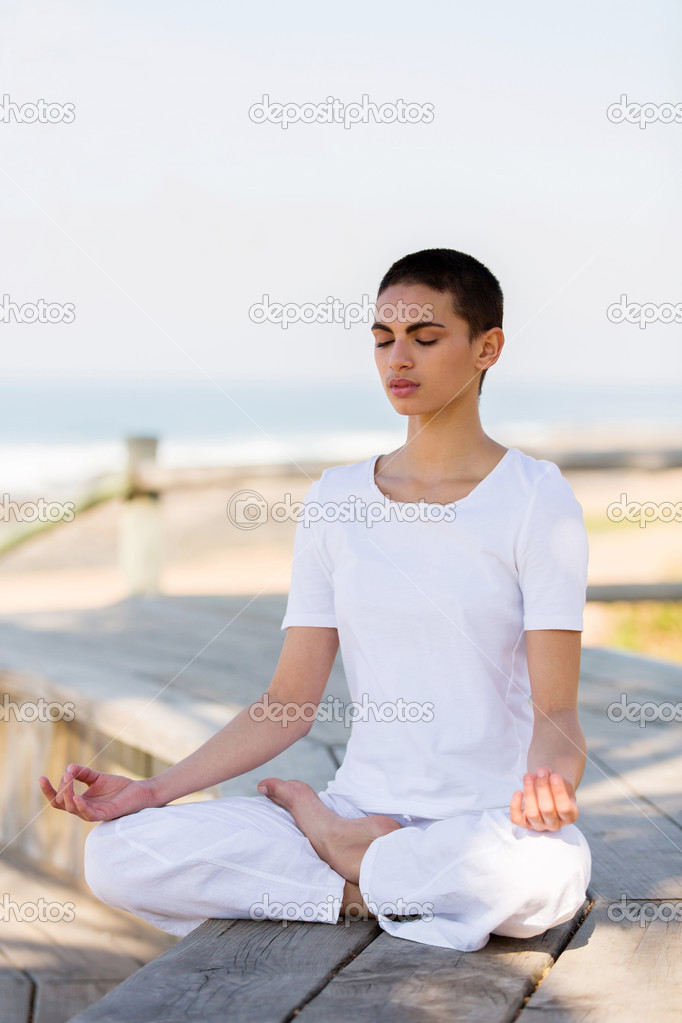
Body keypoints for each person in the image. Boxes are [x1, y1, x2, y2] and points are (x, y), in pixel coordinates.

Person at [39, 248, 591, 952]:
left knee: (544, 877)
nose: (399, 358)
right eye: (383, 339)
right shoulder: (337, 499)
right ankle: (369, 878)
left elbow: (557, 710)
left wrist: (550, 778)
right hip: (356, 803)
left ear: (488, 348)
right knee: (117, 855)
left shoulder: (536, 500)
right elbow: (288, 702)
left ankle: (350, 862)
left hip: (483, 823)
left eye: (425, 338)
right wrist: (154, 791)